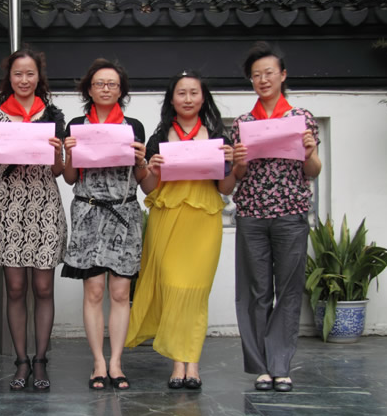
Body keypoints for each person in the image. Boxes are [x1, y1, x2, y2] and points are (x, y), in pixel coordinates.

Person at [125, 70, 235, 389]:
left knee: (196, 291)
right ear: (171, 100)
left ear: (203, 98)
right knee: (173, 287)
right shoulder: (159, 137)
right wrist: (149, 168)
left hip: (204, 220)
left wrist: (234, 165)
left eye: (194, 93)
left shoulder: (218, 138)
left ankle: (193, 363)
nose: (188, 99)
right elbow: (148, 188)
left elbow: (226, 188)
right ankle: (178, 361)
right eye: (181, 93)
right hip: (168, 217)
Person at [231, 42, 321, 393]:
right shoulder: (243, 123)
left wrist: (310, 152)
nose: (263, 80)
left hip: (290, 213)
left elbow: (312, 170)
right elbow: (237, 176)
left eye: (269, 73)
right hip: (251, 214)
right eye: (256, 75)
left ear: (283, 75)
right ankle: (260, 367)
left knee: (288, 290)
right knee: (255, 292)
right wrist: (238, 162)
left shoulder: (301, 119)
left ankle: (280, 365)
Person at [0, 48, 68, 391]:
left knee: (43, 287)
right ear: (9, 77)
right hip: (10, 207)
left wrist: (58, 152)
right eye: (18, 73)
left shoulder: (52, 115)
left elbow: (59, 171)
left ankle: (40, 359)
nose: (24, 80)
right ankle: (21, 360)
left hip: (44, 204)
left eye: (30, 73)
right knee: (15, 288)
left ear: (39, 77)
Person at [61, 58, 147, 390]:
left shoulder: (133, 127)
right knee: (94, 290)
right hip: (88, 213)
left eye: (112, 84)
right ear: (89, 90)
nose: (106, 89)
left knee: (121, 292)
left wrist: (141, 161)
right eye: (99, 83)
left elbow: (143, 179)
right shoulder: (77, 126)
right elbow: (70, 178)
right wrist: (69, 155)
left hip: (124, 213)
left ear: (121, 90)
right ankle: (98, 361)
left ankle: (116, 362)